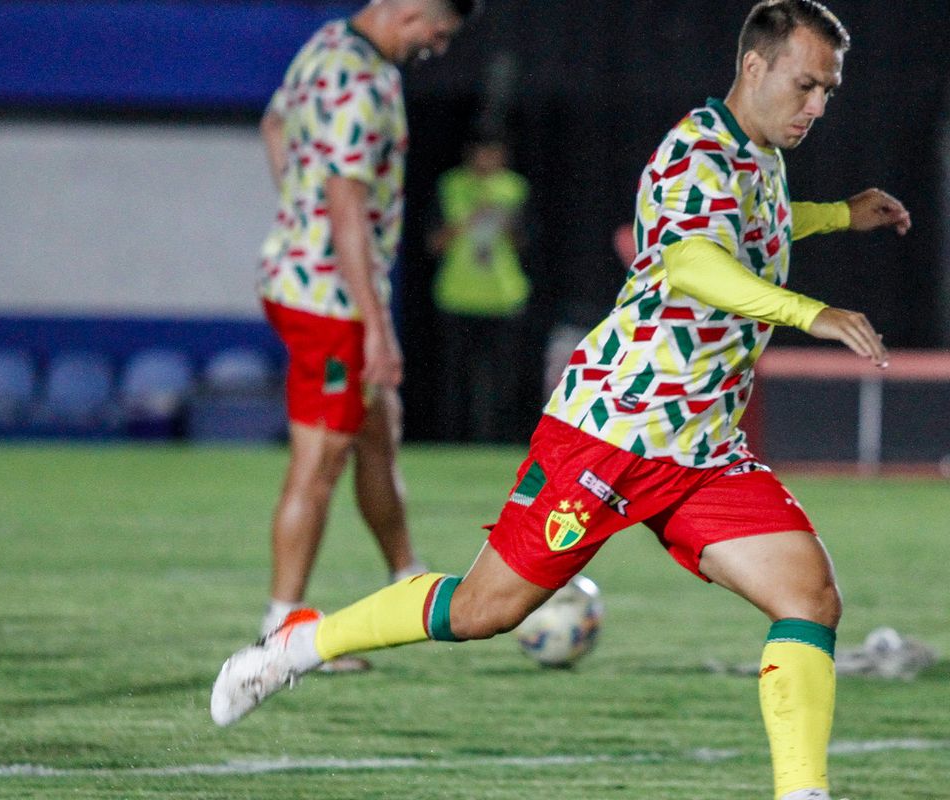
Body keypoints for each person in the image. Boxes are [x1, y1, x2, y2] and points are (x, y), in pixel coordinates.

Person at [215, 2, 911, 797]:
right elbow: (693, 262)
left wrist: (839, 215)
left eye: (829, 91)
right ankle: (296, 648)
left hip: (700, 450)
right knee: (481, 611)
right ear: (754, 66)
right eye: (807, 84)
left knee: (809, 596)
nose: (818, 105)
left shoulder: (760, 157)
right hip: (611, 432)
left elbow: (761, 225)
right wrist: (810, 313)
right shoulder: (696, 151)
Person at [252, 0, 475, 661]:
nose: (436, 47)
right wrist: (377, 326)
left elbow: (273, 124)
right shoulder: (359, 82)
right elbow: (346, 207)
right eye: (437, 32)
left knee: (378, 430)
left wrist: (296, 214)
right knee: (321, 458)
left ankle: (408, 580)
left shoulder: (327, 44)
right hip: (331, 302)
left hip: (305, 280)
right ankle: (281, 627)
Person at [428, 137, 532, 442]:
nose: (486, 159)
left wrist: (504, 221)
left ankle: (500, 441)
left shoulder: (515, 188)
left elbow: (527, 243)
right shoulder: (451, 185)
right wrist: (468, 219)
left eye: (493, 153)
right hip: (458, 296)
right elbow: (433, 243)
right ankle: (450, 442)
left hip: (503, 297)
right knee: (454, 380)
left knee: (503, 379)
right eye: (481, 152)